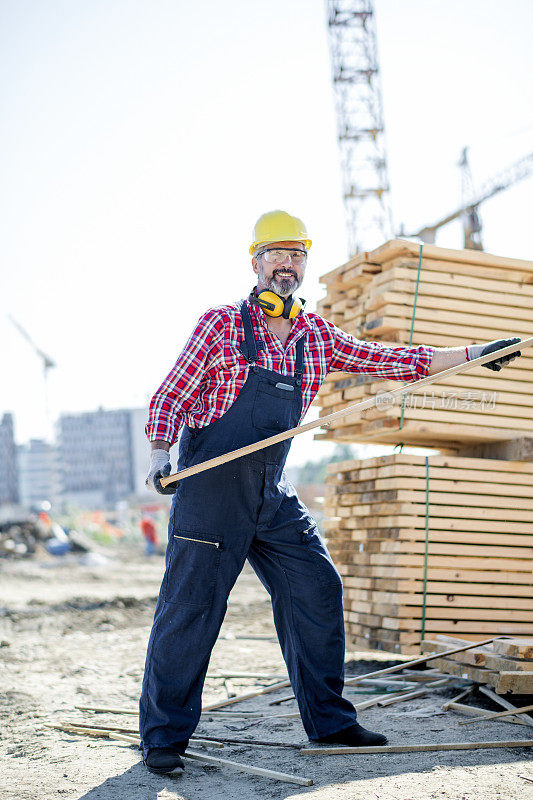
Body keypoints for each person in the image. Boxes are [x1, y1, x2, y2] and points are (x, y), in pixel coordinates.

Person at [140, 210, 521, 775]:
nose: (288, 265)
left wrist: (471, 355)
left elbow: (392, 359)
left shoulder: (315, 335)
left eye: (297, 255)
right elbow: (171, 396)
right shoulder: (219, 325)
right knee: (191, 611)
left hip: (270, 490)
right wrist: (159, 458)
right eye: (277, 254)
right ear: (256, 262)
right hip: (210, 491)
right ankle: (164, 739)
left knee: (317, 586)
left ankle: (332, 724)